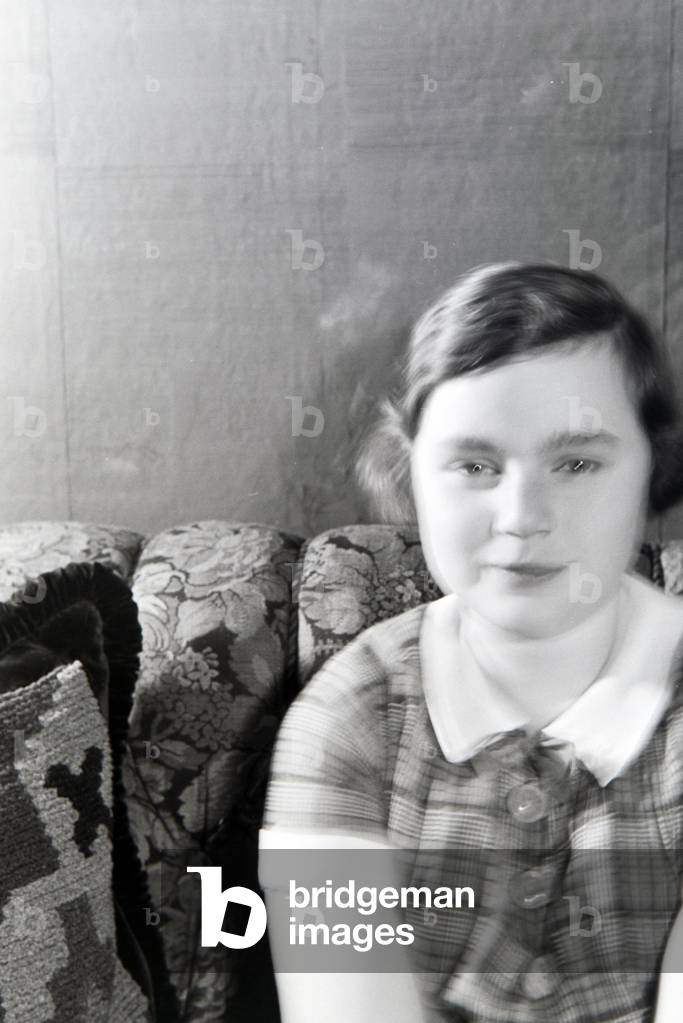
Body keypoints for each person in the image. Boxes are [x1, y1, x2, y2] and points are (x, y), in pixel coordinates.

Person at [259, 262, 683, 1022]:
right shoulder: (345, 722)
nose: (521, 515)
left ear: (652, 465)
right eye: (475, 464)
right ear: (410, 470)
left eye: (577, 462)